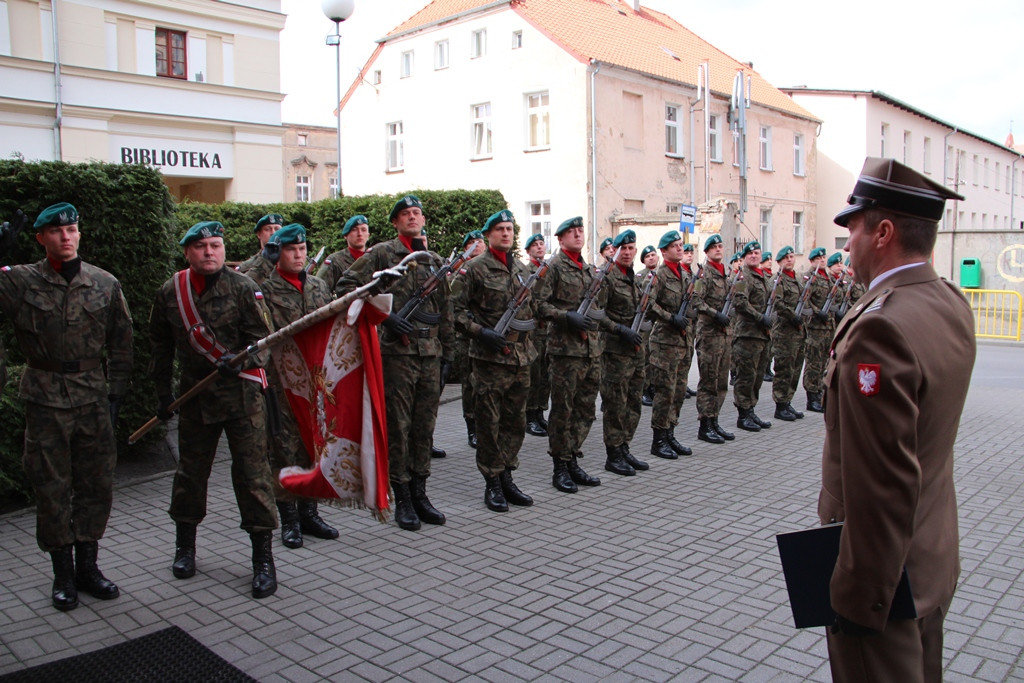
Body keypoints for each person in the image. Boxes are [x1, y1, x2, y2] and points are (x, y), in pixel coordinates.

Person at [820, 157, 974, 683]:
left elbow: (883, 486)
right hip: (930, 558)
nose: (847, 246)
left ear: (883, 232)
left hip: (884, 584)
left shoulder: (880, 328)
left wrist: (859, 599)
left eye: (854, 230)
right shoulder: (949, 301)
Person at [0, 202, 133, 611]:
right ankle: (62, 573)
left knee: (96, 484)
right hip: (44, 397)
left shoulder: (104, 283)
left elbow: (122, 340)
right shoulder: (20, 282)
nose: (66, 237)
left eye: (72, 229)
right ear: (41, 238)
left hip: (93, 396)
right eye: (57, 232)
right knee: (51, 485)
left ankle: (88, 567)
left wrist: (116, 391)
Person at [150, 221, 279, 599]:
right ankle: (185, 548)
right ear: (187, 252)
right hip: (195, 400)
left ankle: (263, 560)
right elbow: (159, 346)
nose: (210, 252)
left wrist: (242, 361)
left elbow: (265, 342)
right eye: (202, 246)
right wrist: (161, 395)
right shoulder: (171, 292)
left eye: (216, 245)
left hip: (241, 399)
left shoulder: (244, 287)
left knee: (253, 478)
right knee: (190, 475)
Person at [337, 195, 454, 531]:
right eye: (406, 214)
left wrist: (449, 354)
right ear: (395, 222)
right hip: (397, 355)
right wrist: (384, 318)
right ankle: (401, 496)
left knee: (424, 427)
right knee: (399, 427)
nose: (413, 217)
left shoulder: (432, 259)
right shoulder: (382, 253)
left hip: (430, 355)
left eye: (417, 213)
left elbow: (444, 309)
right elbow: (347, 286)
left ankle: (421, 493)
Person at [259, 224, 339, 549]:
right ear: (279, 253)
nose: (298, 255)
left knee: (314, 447)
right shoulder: (264, 290)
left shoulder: (319, 287)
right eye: (292, 250)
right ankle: (289, 519)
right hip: (282, 386)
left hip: (316, 385)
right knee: (284, 450)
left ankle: (310, 513)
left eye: (303, 249)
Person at [453, 210, 536, 511]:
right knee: (489, 423)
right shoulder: (474, 269)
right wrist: (481, 332)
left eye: (509, 229)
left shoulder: (524, 270)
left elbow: (533, 311)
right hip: (489, 359)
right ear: (488, 235)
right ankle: (492, 482)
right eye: (499, 229)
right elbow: (455, 312)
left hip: (520, 357)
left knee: (516, 422)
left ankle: (508, 476)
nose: (505, 233)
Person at [535, 216, 613, 493]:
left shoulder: (590, 269)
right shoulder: (554, 267)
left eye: (581, 230)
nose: (578, 235)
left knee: (585, 410)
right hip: (565, 352)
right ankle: (560, 466)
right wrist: (566, 316)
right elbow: (538, 305)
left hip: (591, 351)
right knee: (562, 411)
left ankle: (572, 458)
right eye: (572, 232)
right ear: (560, 238)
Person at [598, 230, 649, 475]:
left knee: (633, 401)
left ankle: (625, 446)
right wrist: (618, 329)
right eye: (623, 248)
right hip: (615, 350)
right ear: (615, 250)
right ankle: (613, 453)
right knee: (615, 403)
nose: (627, 252)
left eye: (631, 248)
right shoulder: (607, 277)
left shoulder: (636, 278)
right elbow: (597, 313)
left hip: (636, 350)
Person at [646, 231, 695, 459]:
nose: (679, 249)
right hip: (664, 342)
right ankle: (659, 440)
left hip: (683, 342)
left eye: (680, 245)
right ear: (664, 251)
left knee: (678, 392)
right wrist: (669, 317)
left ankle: (670, 434)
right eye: (674, 246)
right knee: (665, 393)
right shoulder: (659, 276)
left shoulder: (686, 275)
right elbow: (648, 304)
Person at [692, 234, 735, 444]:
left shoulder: (725, 274)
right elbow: (696, 300)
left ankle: (715, 420)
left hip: (724, 335)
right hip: (709, 334)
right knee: (708, 380)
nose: (718, 249)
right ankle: (705, 424)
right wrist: (714, 313)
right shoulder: (704, 275)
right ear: (707, 252)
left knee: (721, 381)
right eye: (714, 247)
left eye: (720, 246)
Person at [731, 240, 773, 432]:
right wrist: (760, 317)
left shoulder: (762, 276)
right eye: (750, 254)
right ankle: (743, 414)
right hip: (747, 334)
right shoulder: (743, 276)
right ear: (744, 257)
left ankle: (751, 409)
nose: (754, 256)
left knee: (757, 376)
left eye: (757, 253)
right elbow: (740, 302)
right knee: (746, 376)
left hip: (762, 335)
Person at [450, 229, 486, 450]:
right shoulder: (461, 271)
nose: (478, 246)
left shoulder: (490, 269)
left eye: (480, 242)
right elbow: (453, 302)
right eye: (472, 243)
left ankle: (485, 426)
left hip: (486, 335)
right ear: (466, 248)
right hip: (467, 336)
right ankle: (471, 427)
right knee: (469, 384)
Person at [769, 246, 806, 421]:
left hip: (798, 332)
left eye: (792, 256)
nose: (790, 259)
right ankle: (780, 404)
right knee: (783, 369)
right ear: (779, 262)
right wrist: (794, 316)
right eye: (786, 258)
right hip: (784, 332)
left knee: (795, 368)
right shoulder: (778, 281)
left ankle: (788, 401)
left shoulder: (798, 279)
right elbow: (779, 303)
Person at [523, 233, 550, 436]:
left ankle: (540, 412)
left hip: (548, 329)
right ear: (528, 250)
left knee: (545, 374)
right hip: (533, 329)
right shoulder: (527, 271)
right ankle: (529, 415)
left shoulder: (549, 270)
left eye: (541, 244)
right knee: (534, 373)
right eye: (535, 245)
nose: (539, 247)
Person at [802, 246, 831, 413]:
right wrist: (816, 312)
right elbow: (805, 299)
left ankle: (820, 391)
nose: (822, 260)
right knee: (813, 362)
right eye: (818, 259)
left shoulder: (827, 277)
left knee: (823, 362)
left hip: (827, 327)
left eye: (823, 258)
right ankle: (811, 396)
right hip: (814, 327)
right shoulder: (810, 277)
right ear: (812, 261)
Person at [316, 214, 370, 292]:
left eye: (363, 230)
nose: (360, 234)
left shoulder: (374, 257)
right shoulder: (335, 261)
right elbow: (319, 290)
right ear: (346, 235)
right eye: (354, 230)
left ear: (368, 235)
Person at [636, 245, 659, 406]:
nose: (651, 258)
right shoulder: (641, 276)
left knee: (653, 358)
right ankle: (643, 389)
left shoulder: (661, 274)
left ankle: (651, 386)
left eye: (653, 255)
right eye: (647, 256)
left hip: (656, 324)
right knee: (644, 358)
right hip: (645, 322)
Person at [237, 213, 283, 283]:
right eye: (267, 229)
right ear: (259, 234)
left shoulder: (291, 261)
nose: (273, 233)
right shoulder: (247, 266)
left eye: (277, 229)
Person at [760, 251, 775, 382]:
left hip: (771, 316)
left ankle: (767, 368)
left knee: (770, 346)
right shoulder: (763, 277)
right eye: (767, 260)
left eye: (771, 260)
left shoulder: (772, 277)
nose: (770, 262)